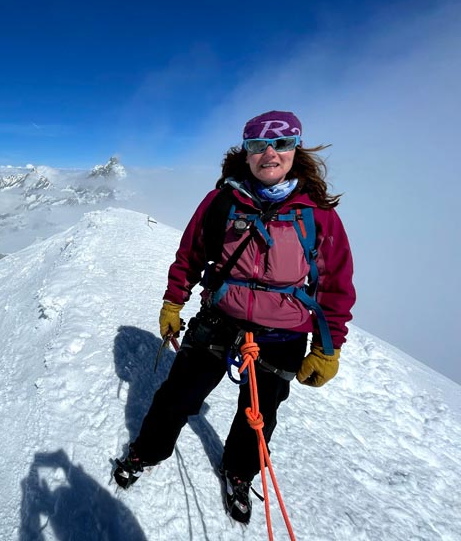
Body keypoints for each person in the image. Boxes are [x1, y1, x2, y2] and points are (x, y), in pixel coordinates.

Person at [113, 110, 355, 524]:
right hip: (220, 318)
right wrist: (174, 302)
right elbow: (190, 255)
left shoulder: (317, 215)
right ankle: (147, 451)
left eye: (281, 144)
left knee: (259, 414)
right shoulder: (222, 201)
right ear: (245, 153)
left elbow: (335, 284)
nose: (270, 154)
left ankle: (239, 472)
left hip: (284, 333)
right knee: (177, 395)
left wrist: (328, 347)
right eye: (258, 145)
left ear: (296, 148)